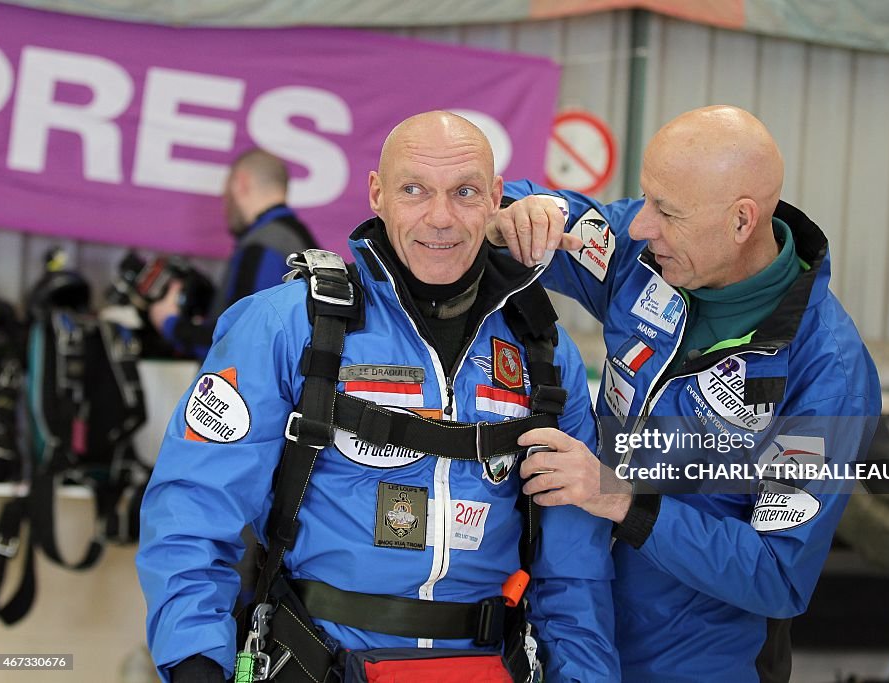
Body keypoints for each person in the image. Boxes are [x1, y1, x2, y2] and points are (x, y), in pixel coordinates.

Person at [137, 111, 619, 683]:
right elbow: (192, 512)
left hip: (487, 665)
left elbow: (575, 568)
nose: (440, 218)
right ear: (377, 195)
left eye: (465, 192)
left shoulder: (543, 352)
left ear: (495, 199)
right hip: (315, 661)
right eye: (414, 190)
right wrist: (195, 666)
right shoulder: (289, 326)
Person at [492, 105, 882, 682]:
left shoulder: (826, 372)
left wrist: (619, 500)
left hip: (701, 665)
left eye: (666, 211)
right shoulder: (644, 258)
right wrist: (518, 215)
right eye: (646, 198)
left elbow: (777, 572)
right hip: (574, 641)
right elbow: (556, 216)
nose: (640, 225)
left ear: (742, 221)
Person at [148, 148, 318, 357]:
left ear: (240, 183)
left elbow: (239, 341)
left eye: (226, 193)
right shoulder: (299, 240)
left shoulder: (264, 245)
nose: (225, 204)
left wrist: (169, 323)